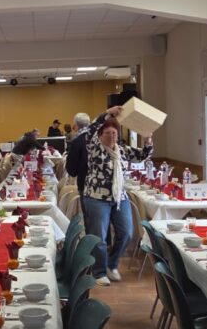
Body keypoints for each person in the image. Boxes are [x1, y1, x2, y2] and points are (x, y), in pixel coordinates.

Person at [80, 106, 153, 285]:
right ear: (100, 135)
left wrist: (148, 141)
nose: (111, 136)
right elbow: (89, 131)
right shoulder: (95, 149)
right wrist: (107, 114)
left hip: (119, 197)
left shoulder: (122, 151)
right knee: (100, 236)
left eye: (114, 133)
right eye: (107, 133)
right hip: (97, 198)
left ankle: (111, 264)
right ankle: (99, 272)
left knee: (127, 232)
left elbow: (142, 156)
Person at [65, 112, 91, 195]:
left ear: (76, 125)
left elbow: (71, 169)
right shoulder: (97, 137)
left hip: (84, 182)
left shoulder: (77, 141)